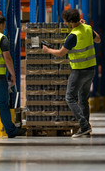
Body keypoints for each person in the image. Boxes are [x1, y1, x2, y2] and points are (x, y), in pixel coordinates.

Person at [42, 9, 101, 137]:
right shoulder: (87, 28)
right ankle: (86, 128)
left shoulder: (73, 36)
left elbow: (61, 53)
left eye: (65, 21)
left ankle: (84, 125)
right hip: (90, 69)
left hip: (79, 71)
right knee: (83, 99)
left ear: (69, 21)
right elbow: (98, 40)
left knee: (69, 97)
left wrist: (48, 50)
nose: (64, 23)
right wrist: (86, 26)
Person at [0, 14, 27, 138]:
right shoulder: (2, 38)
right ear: (1, 25)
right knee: (2, 104)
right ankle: (11, 130)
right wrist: (13, 75)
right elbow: (7, 58)